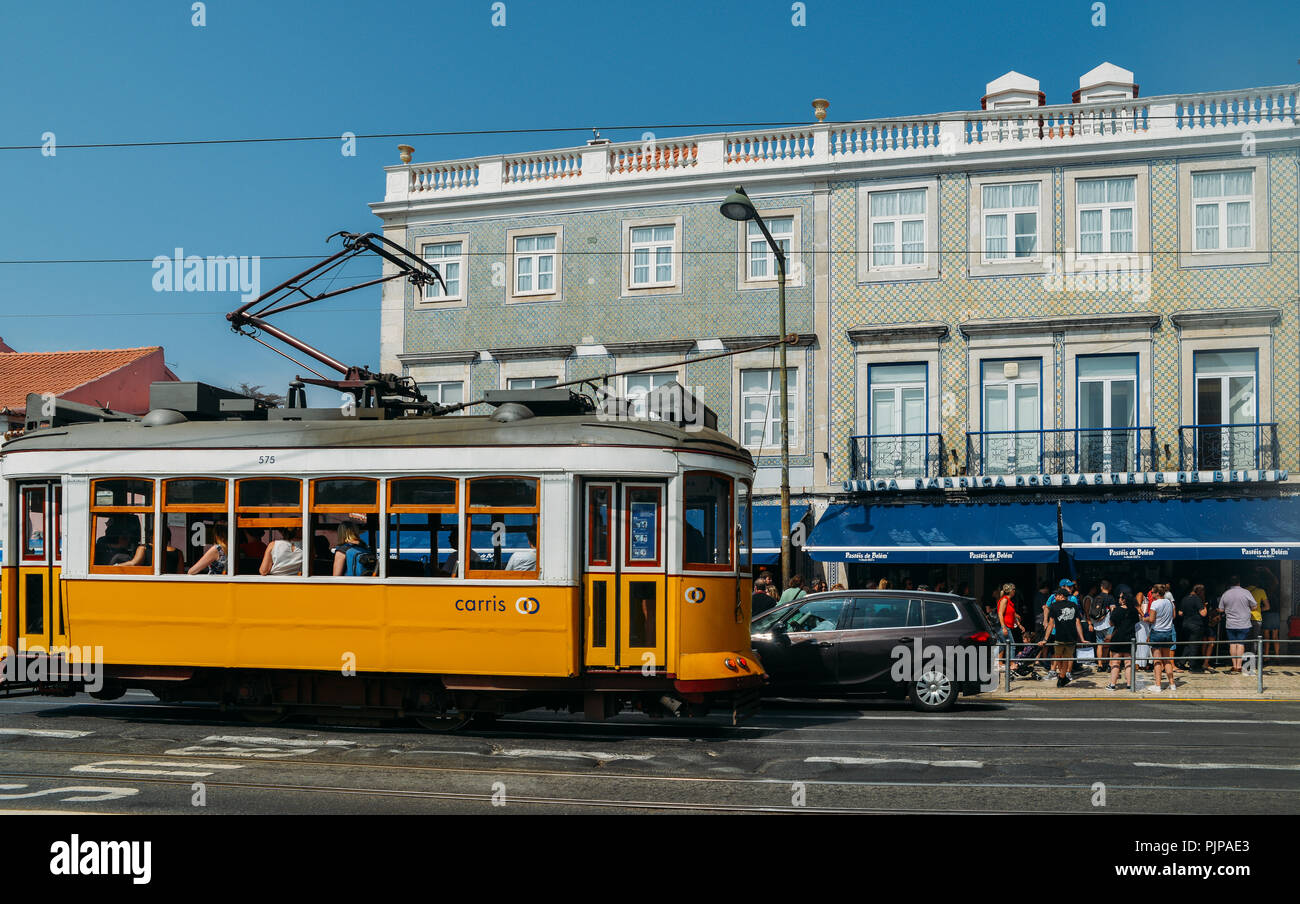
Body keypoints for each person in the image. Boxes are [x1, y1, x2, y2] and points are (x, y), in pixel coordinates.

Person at [1040, 587, 1085, 687]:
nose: (1055, 597)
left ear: (1061, 596)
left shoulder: (1054, 606)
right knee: (1066, 658)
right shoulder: (1074, 605)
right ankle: (1062, 677)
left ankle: (1061, 676)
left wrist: (1045, 639)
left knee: (1057, 656)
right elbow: (1078, 622)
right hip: (1071, 637)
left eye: (1056, 595)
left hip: (1059, 636)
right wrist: (1081, 638)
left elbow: (1051, 624)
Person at [1219, 575, 1257, 674]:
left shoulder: (1226, 594)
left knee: (1232, 644)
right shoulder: (1246, 592)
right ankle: (1239, 666)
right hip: (1243, 623)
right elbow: (1254, 606)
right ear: (1239, 582)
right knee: (1240, 643)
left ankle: (1234, 665)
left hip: (1230, 623)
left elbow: (1221, 609)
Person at [1144, 583, 1178, 693]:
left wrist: (1145, 618)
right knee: (1167, 659)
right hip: (1167, 632)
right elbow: (1173, 616)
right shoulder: (1169, 603)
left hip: (1157, 632)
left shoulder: (1155, 604)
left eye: (1152, 592)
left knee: (1157, 660)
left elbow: (1152, 619)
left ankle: (1158, 685)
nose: (1151, 594)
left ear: (1157, 593)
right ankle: (1172, 684)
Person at [1107, 591, 1141, 690]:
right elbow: (1136, 622)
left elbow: (1111, 624)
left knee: (1116, 662)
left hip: (1117, 638)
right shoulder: (1134, 611)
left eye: (1120, 597)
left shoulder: (1116, 610)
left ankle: (1112, 685)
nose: (1119, 599)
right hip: (1130, 639)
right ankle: (1129, 684)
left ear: (1124, 600)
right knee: (1128, 663)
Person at [1176, 583, 1208, 672]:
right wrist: (1204, 605)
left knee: (1188, 644)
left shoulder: (1185, 598)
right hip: (1196, 625)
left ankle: (1181, 662)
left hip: (1185, 624)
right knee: (1194, 645)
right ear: (1200, 591)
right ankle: (1193, 666)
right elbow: (1203, 613)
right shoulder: (1197, 599)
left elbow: (1180, 613)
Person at [994, 583, 1018, 671]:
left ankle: (995, 662)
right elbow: (1000, 613)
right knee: (1012, 645)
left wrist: (1019, 624)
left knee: (1001, 646)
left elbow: (1011, 614)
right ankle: (1012, 664)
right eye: (1014, 589)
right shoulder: (1004, 600)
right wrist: (1003, 627)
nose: (1015, 591)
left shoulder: (1008, 601)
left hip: (1007, 626)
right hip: (1004, 627)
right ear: (1010, 591)